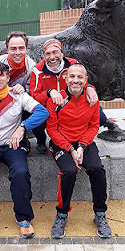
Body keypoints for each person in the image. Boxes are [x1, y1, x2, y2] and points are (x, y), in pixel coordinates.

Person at [0, 62, 48, 241]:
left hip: (13, 146)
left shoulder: (18, 94)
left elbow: (42, 112)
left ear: (7, 77)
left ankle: (24, 218)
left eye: (2, 75)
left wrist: (23, 127)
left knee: (21, 172)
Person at [46, 63, 111, 239]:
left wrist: (81, 147)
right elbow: (51, 129)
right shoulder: (56, 100)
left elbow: (94, 126)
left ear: (86, 80)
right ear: (65, 78)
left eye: (80, 77)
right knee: (69, 171)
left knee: (97, 169)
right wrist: (70, 149)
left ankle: (100, 214)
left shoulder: (92, 99)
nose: (76, 80)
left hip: (84, 141)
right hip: (61, 142)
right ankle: (61, 214)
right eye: (72, 76)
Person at [29, 38, 108, 154]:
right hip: (49, 107)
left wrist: (90, 88)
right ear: (44, 56)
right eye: (47, 53)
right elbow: (34, 97)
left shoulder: (73, 63)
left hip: (71, 104)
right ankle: (41, 140)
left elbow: (82, 82)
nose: (52, 57)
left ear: (62, 53)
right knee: (37, 117)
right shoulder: (37, 70)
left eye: (55, 52)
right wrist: (49, 92)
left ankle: (81, 137)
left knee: (101, 118)